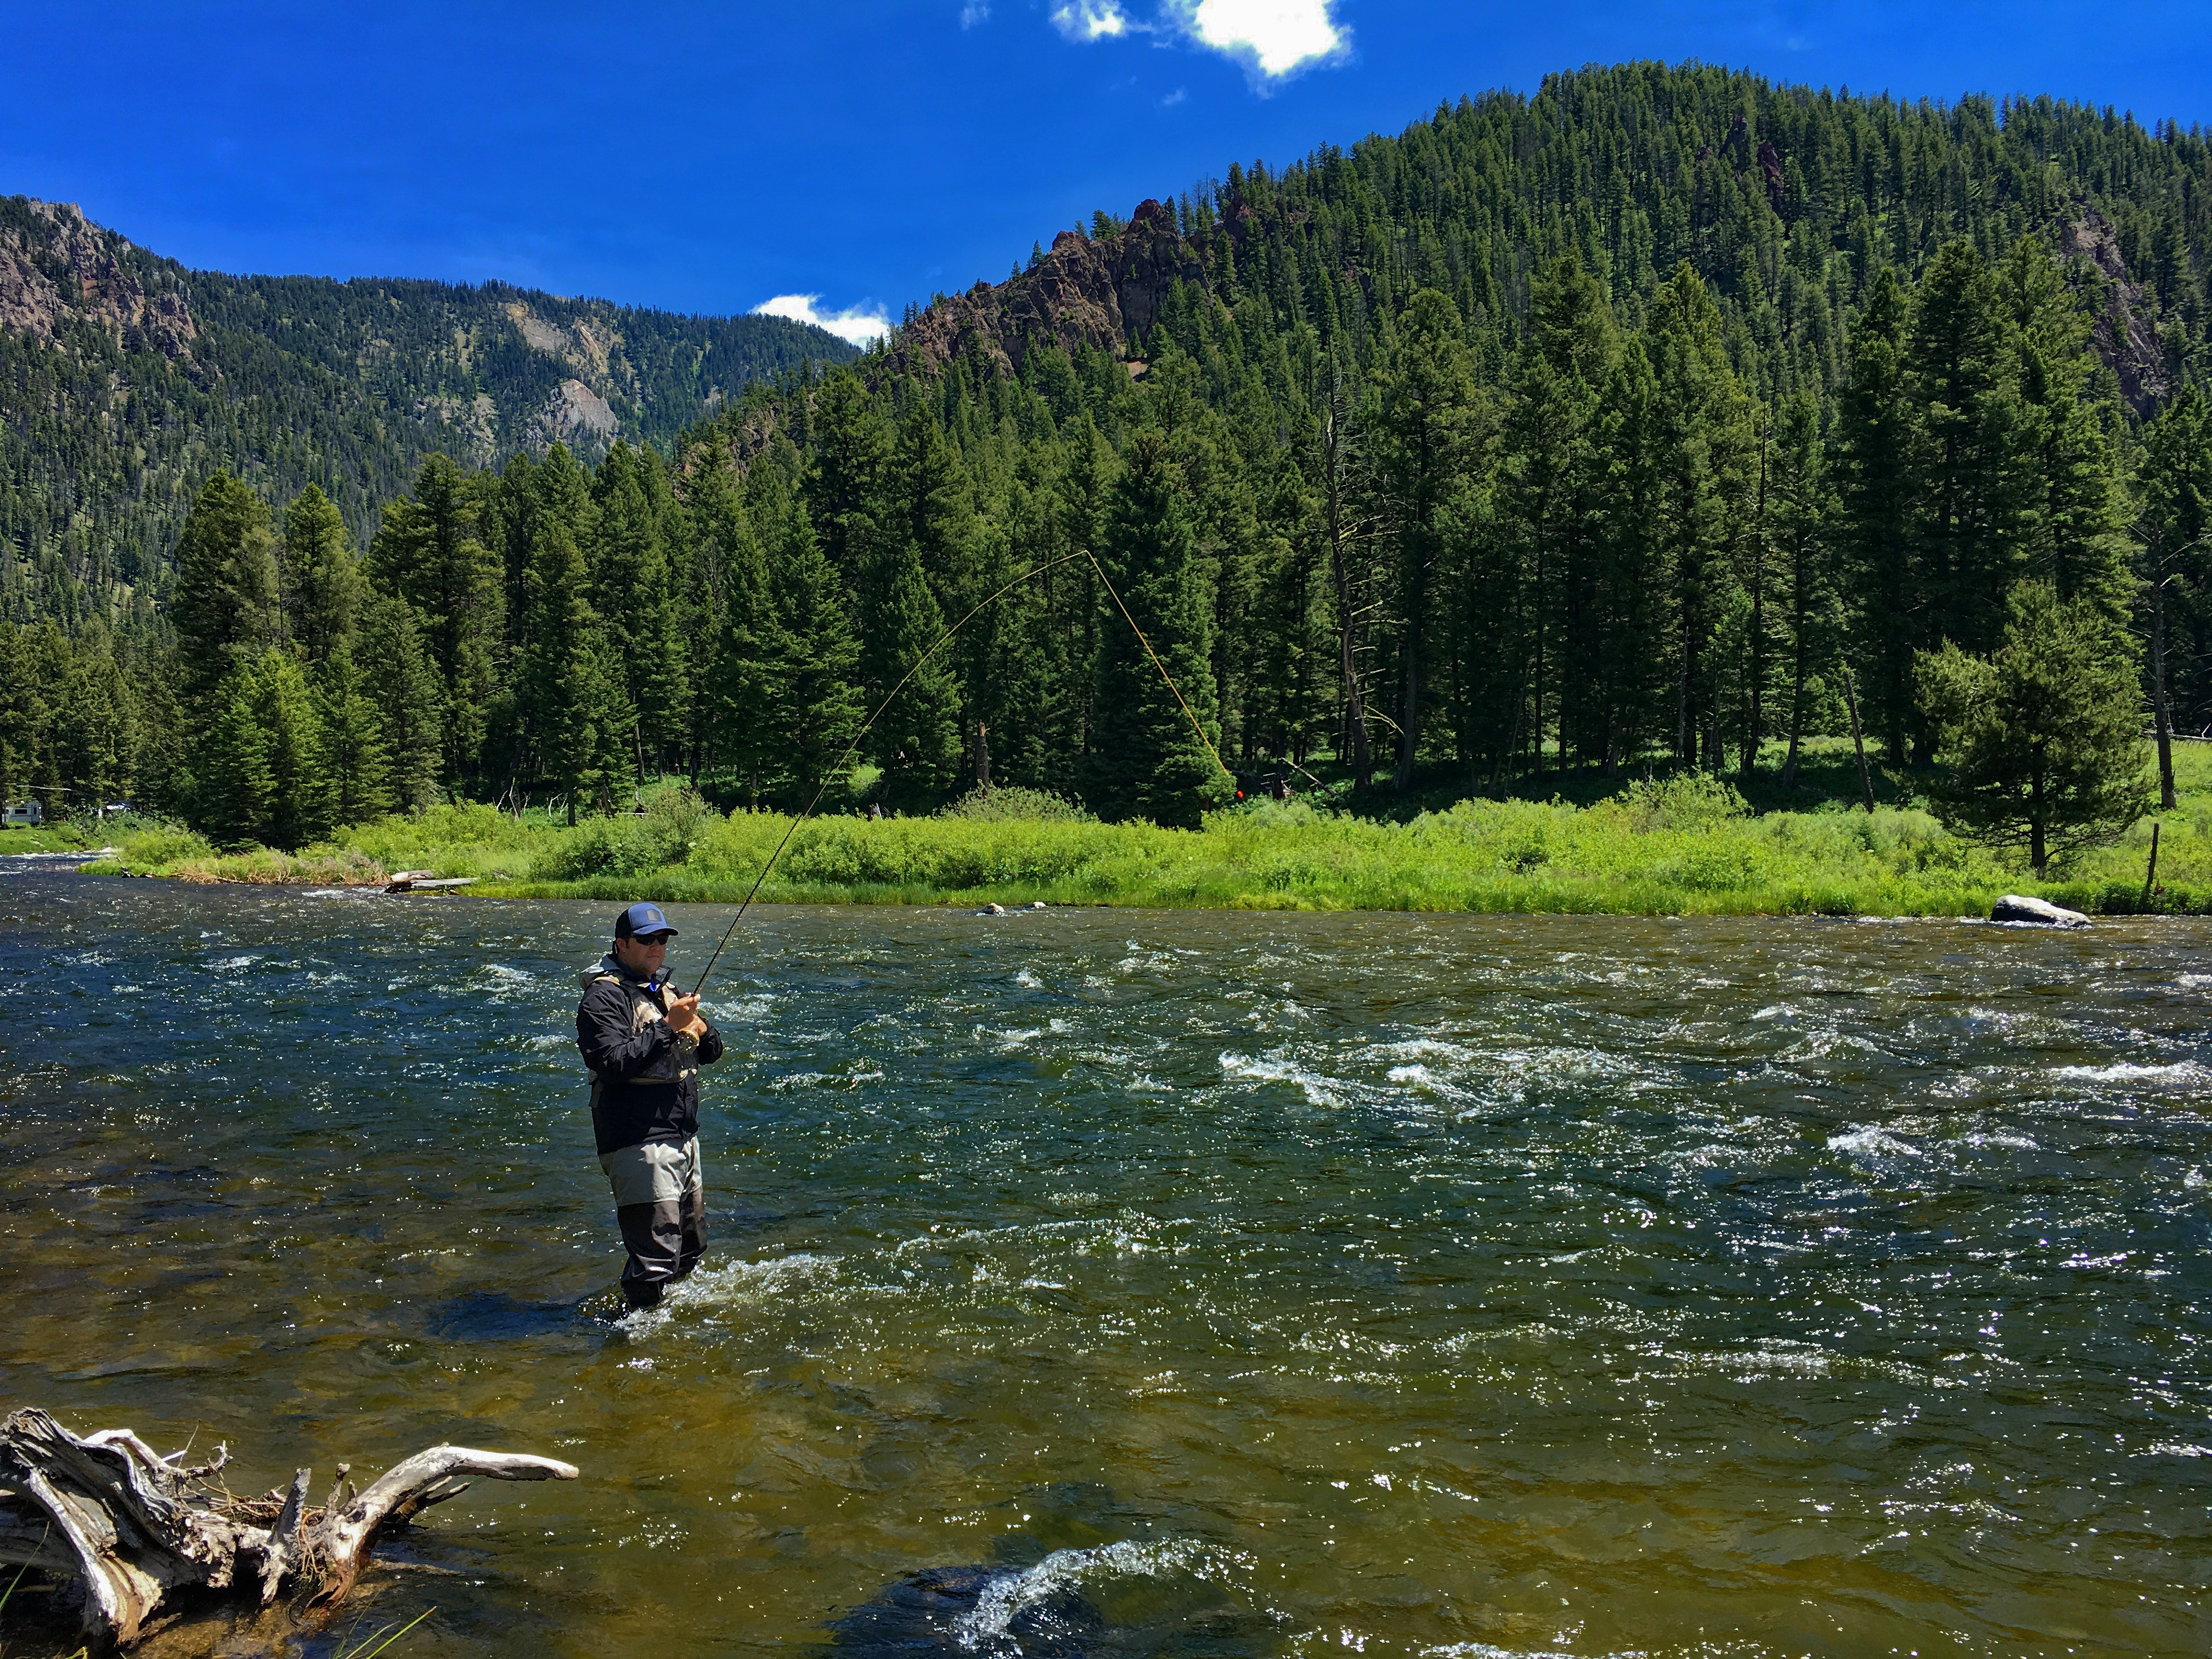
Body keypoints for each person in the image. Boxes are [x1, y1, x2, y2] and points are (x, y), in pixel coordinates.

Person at [576, 901, 725, 1310]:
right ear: (622, 944)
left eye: (662, 939)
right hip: (638, 1141)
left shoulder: (665, 992)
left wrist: (702, 1028)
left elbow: (712, 1052)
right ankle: (638, 1339)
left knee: (691, 1247)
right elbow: (612, 1063)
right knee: (654, 1260)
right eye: (646, 940)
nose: (656, 947)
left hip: (681, 1137)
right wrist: (667, 1028)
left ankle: (670, 1324)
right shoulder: (602, 999)